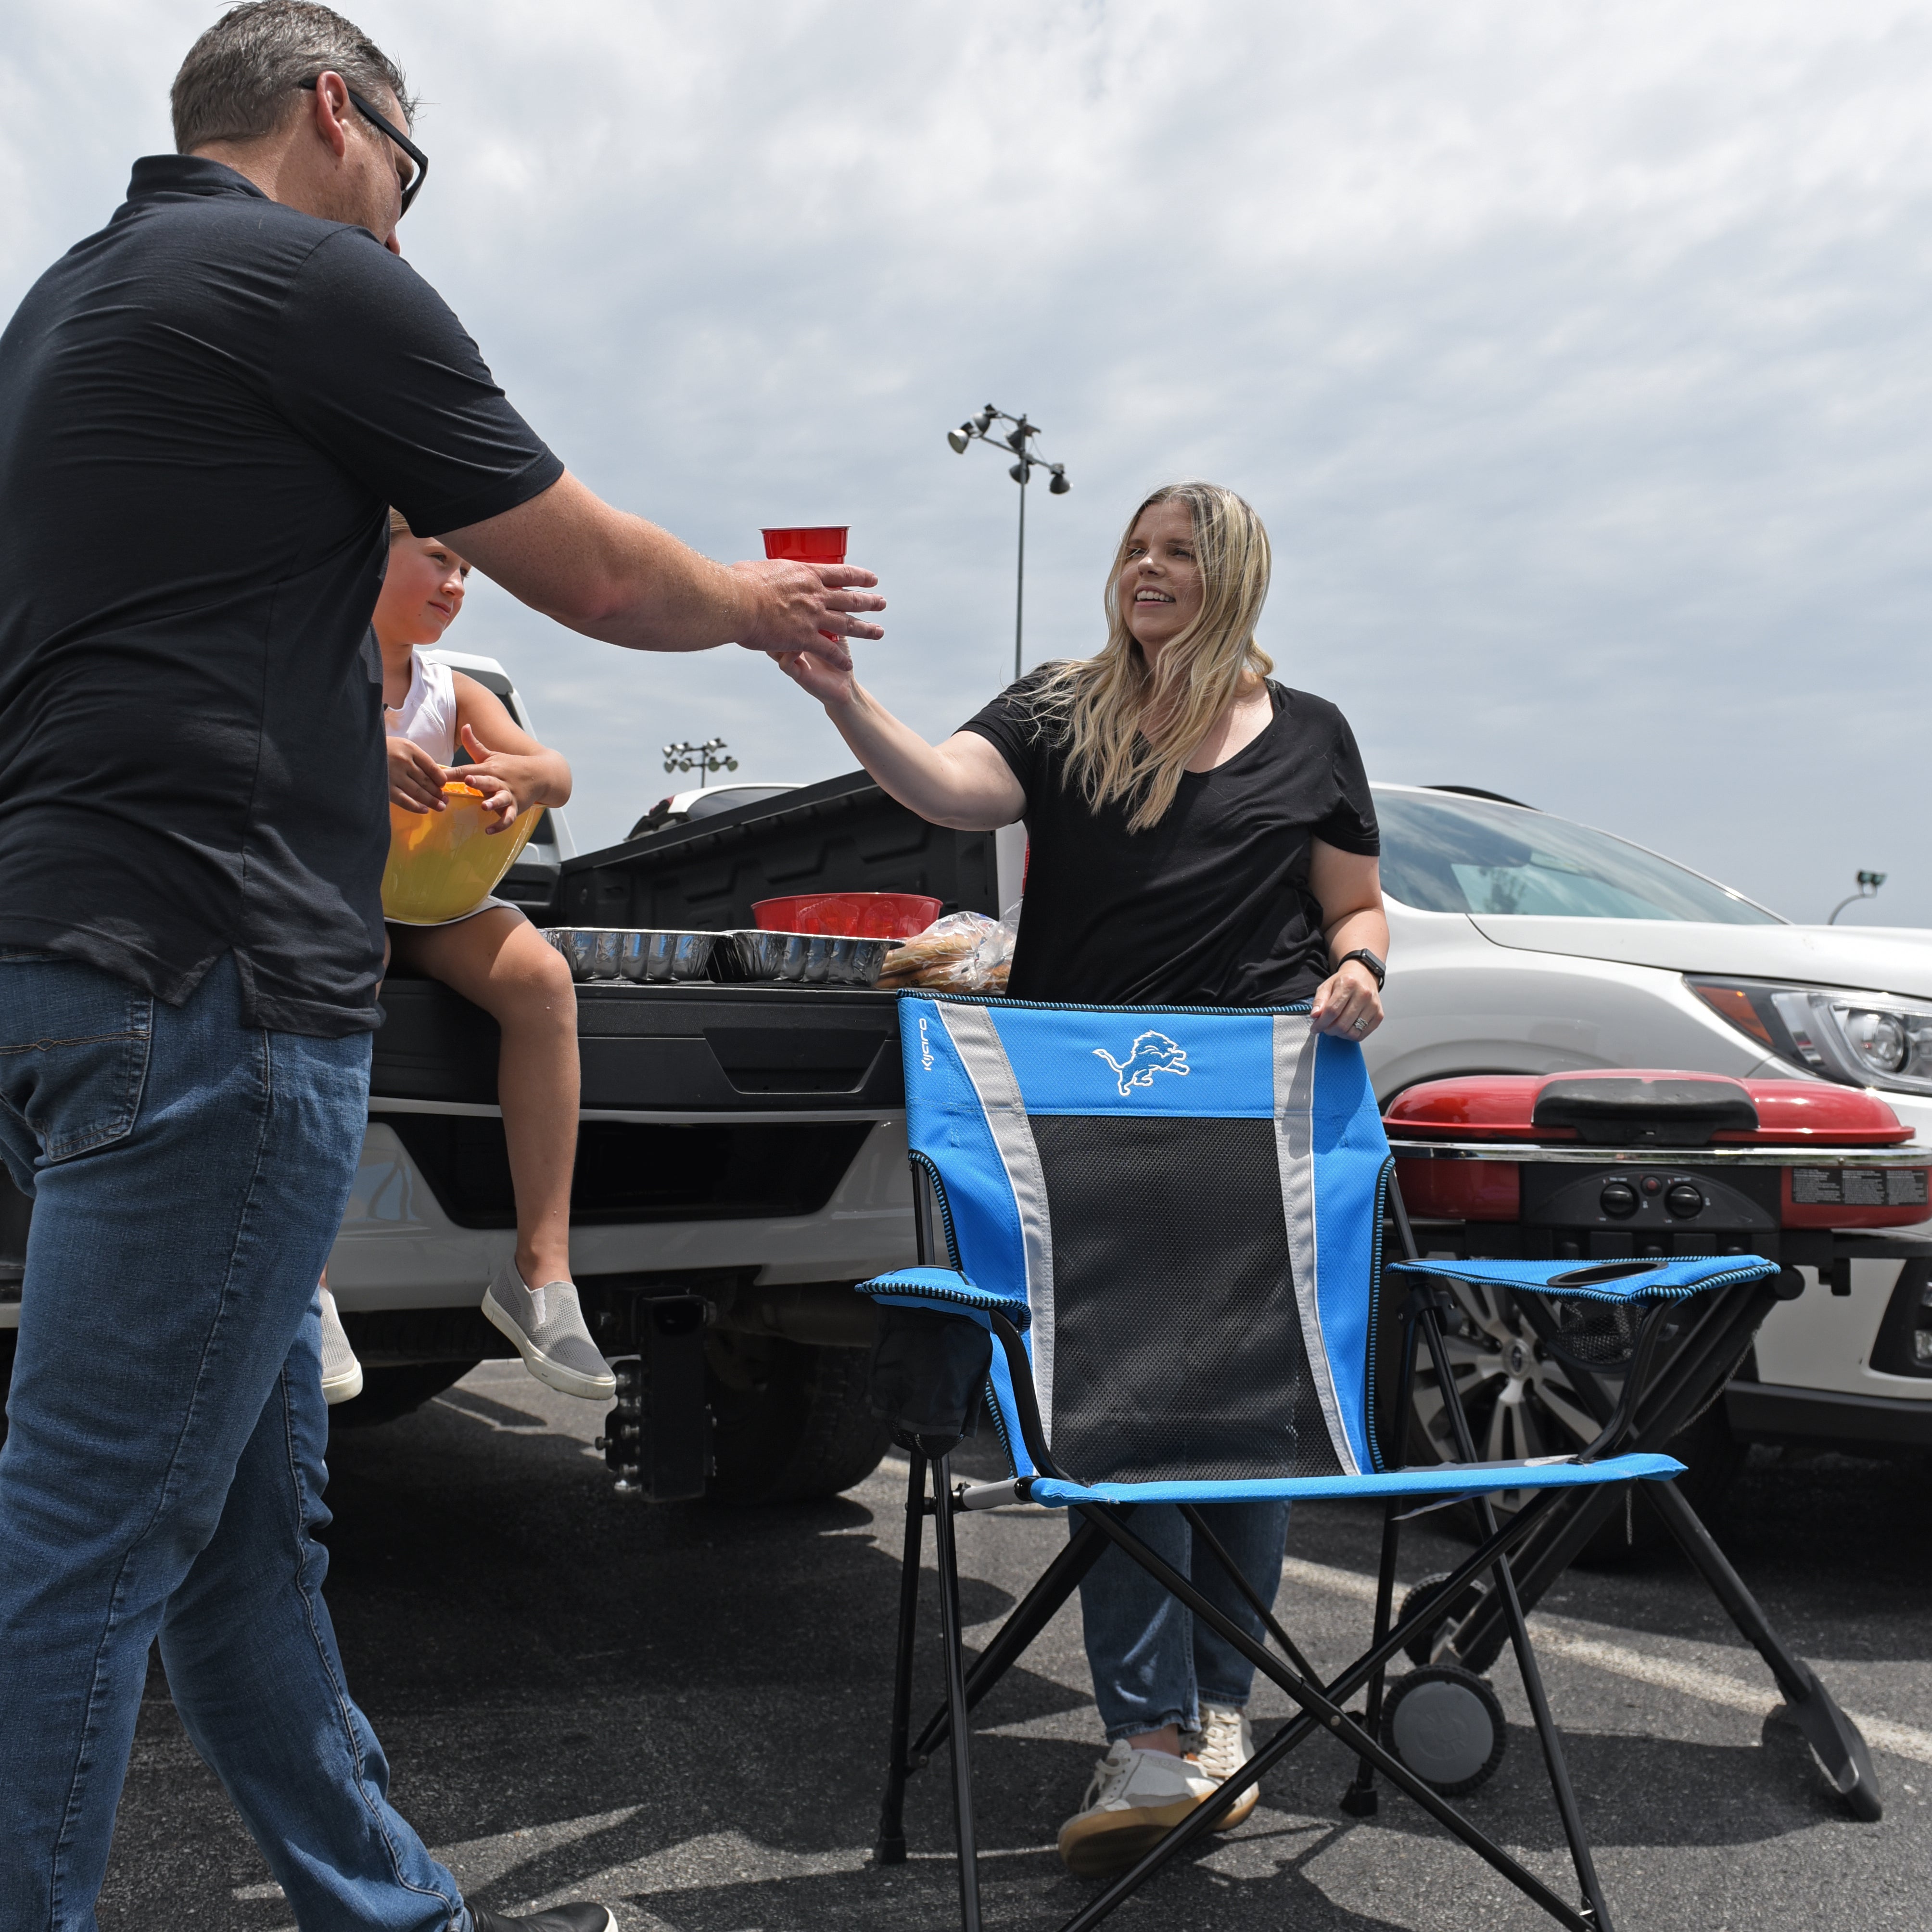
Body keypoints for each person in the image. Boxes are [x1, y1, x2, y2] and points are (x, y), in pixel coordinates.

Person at [0, 6, 883, 1929]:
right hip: (222, 982)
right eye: (410, 161)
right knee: (81, 1546)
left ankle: (392, 1906)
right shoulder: (309, 276)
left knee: (242, 1537)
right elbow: (595, 571)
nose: (404, 207)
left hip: (78, 961)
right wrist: (763, 604)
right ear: (339, 112)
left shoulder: (64, 311)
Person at [776, 480, 1387, 1877]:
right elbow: (945, 785)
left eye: (1179, 551)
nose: (1147, 569)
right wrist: (837, 696)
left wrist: (1358, 965)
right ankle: (1145, 1729)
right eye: (1134, 548)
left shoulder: (1311, 735)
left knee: (1240, 1422)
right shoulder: (1061, 709)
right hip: (1080, 1115)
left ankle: (1216, 1721)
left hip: (1252, 1114)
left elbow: (1352, 902)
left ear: (1234, 576)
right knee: (1118, 1424)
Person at [316, 511, 613, 1410]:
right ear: (370, 554)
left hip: (435, 896)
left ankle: (540, 1274)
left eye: (467, 573)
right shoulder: (316, 662)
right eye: (438, 561)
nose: (455, 584)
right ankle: (308, 1282)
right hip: (335, 893)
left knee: (542, 979)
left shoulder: (453, 686)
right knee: (343, 964)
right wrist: (362, 747)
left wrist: (526, 778)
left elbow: (555, 771)